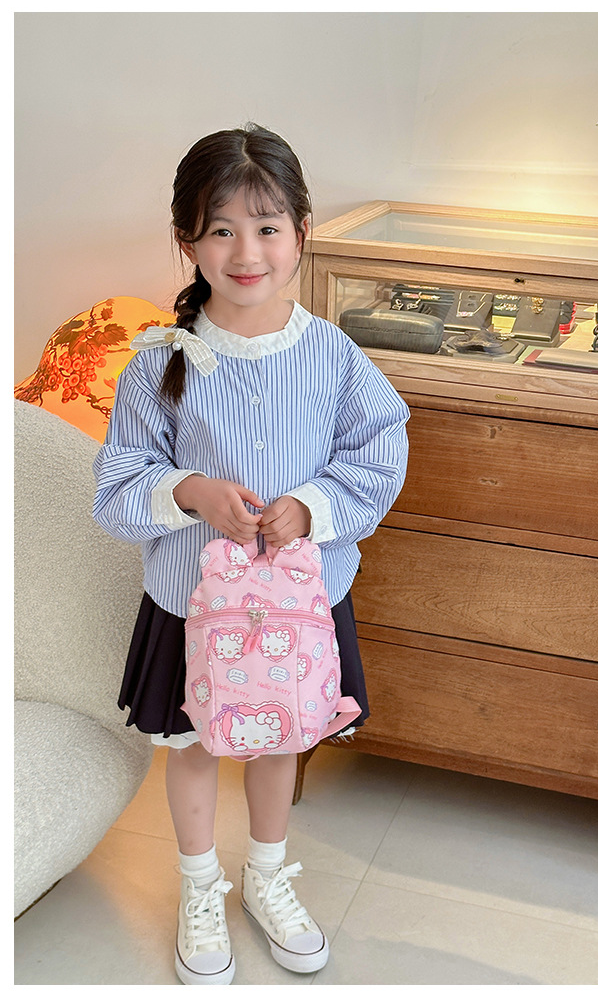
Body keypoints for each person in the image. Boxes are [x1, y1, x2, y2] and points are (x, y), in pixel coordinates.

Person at [92, 123, 409, 986]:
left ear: (301, 233)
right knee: (195, 745)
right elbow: (118, 481)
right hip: (193, 608)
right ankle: (200, 888)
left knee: (277, 743)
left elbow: (379, 452)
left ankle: (268, 877)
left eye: (267, 227)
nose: (246, 251)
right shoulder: (159, 364)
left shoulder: (334, 356)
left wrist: (312, 507)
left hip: (298, 610)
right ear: (187, 240)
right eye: (221, 229)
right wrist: (191, 491)